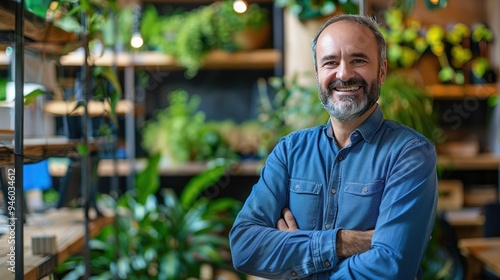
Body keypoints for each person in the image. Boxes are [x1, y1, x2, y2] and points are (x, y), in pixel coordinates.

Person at [229, 13, 438, 279]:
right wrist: (343, 242)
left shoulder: (409, 153)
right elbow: (244, 248)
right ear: (318, 73)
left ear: (381, 71)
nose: (344, 73)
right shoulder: (290, 151)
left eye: (358, 60)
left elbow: (390, 267)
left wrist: (299, 259)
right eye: (330, 62)